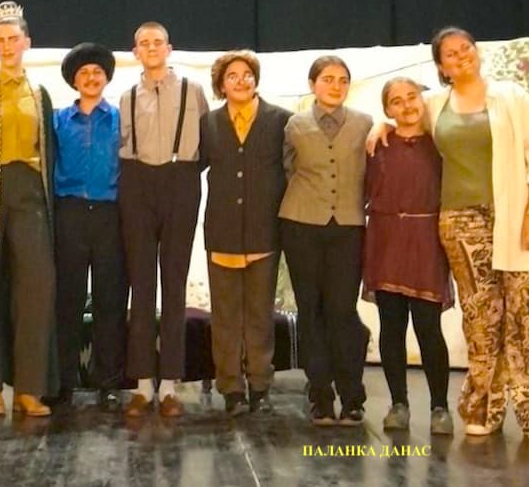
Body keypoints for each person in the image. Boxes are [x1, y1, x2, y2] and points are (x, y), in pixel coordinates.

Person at [427, 27, 529, 442]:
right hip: (461, 223)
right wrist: (379, 129)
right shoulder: (434, 104)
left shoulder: (511, 96)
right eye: (451, 54)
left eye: (465, 48)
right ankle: (484, 406)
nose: (461, 56)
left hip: (518, 216)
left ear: (477, 51)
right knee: (481, 320)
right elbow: (401, 123)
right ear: (442, 67)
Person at [0, 1, 58, 417]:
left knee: (36, 286)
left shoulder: (40, 94)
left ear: (27, 42)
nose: (5, 46)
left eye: (12, 38)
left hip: (30, 190)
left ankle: (29, 387)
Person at [119, 22, 210, 418]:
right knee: (141, 286)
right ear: (136, 52)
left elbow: (207, 144)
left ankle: (170, 384)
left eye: (158, 42)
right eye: (144, 43)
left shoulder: (194, 90)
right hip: (136, 183)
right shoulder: (125, 97)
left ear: (169, 48)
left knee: (174, 284)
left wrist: (182, 177)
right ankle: (142, 384)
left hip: (180, 181)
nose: (152, 47)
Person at [279, 55, 372, 427]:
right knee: (310, 309)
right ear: (312, 84)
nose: (336, 86)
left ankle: (352, 396)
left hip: (348, 225)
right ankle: (319, 394)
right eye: (328, 79)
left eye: (342, 80)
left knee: (343, 310)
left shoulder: (365, 124)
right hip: (300, 224)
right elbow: (287, 169)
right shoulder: (295, 125)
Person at [200, 50, 292, 416]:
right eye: (232, 76)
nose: (241, 81)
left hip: (263, 232)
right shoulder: (208, 123)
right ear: (221, 85)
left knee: (260, 316)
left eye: (247, 74)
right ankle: (231, 388)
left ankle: (260, 386)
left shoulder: (281, 120)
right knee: (224, 317)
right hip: (221, 232)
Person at [363, 77, 453, 435]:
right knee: (392, 325)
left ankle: (440, 407)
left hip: (426, 240)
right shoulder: (377, 144)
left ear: (423, 99)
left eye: (411, 97)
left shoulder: (440, 143)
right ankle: (398, 403)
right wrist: (378, 127)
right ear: (387, 109)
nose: (406, 105)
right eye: (396, 101)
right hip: (386, 241)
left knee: (429, 328)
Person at [51, 43, 128, 411]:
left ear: (106, 78)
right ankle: (62, 381)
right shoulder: (57, 120)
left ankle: (109, 382)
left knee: (110, 300)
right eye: (84, 73)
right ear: (74, 81)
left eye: (97, 72)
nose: (91, 78)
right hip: (69, 213)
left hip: (110, 214)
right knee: (66, 299)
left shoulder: (121, 120)